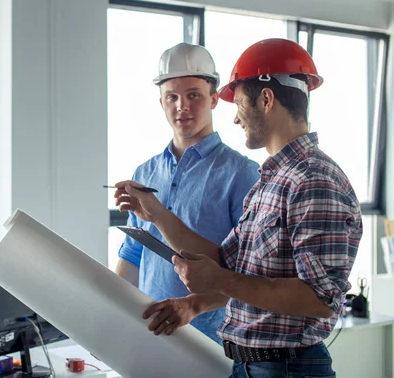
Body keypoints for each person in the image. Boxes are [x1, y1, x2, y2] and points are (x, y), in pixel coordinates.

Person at [116, 38, 362, 377]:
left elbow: (319, 298)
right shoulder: (272, 181)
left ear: (265, 98)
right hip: (251, 365)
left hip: (286, 367)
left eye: (240, 103)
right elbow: (225, 263)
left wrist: (217, 282)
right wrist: (156, 215)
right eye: (171, 97)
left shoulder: (314, 179)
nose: (235, 119)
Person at [114, 43, 259, 344]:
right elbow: (133, 256)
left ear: (215, 99)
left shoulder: (242, 173)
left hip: (215, 346)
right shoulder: (145, 173)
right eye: (172, 97)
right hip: (152, 337)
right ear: (161, 102)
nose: (182, 107)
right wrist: (109, 317)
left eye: (193, 95)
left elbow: (251, 277)